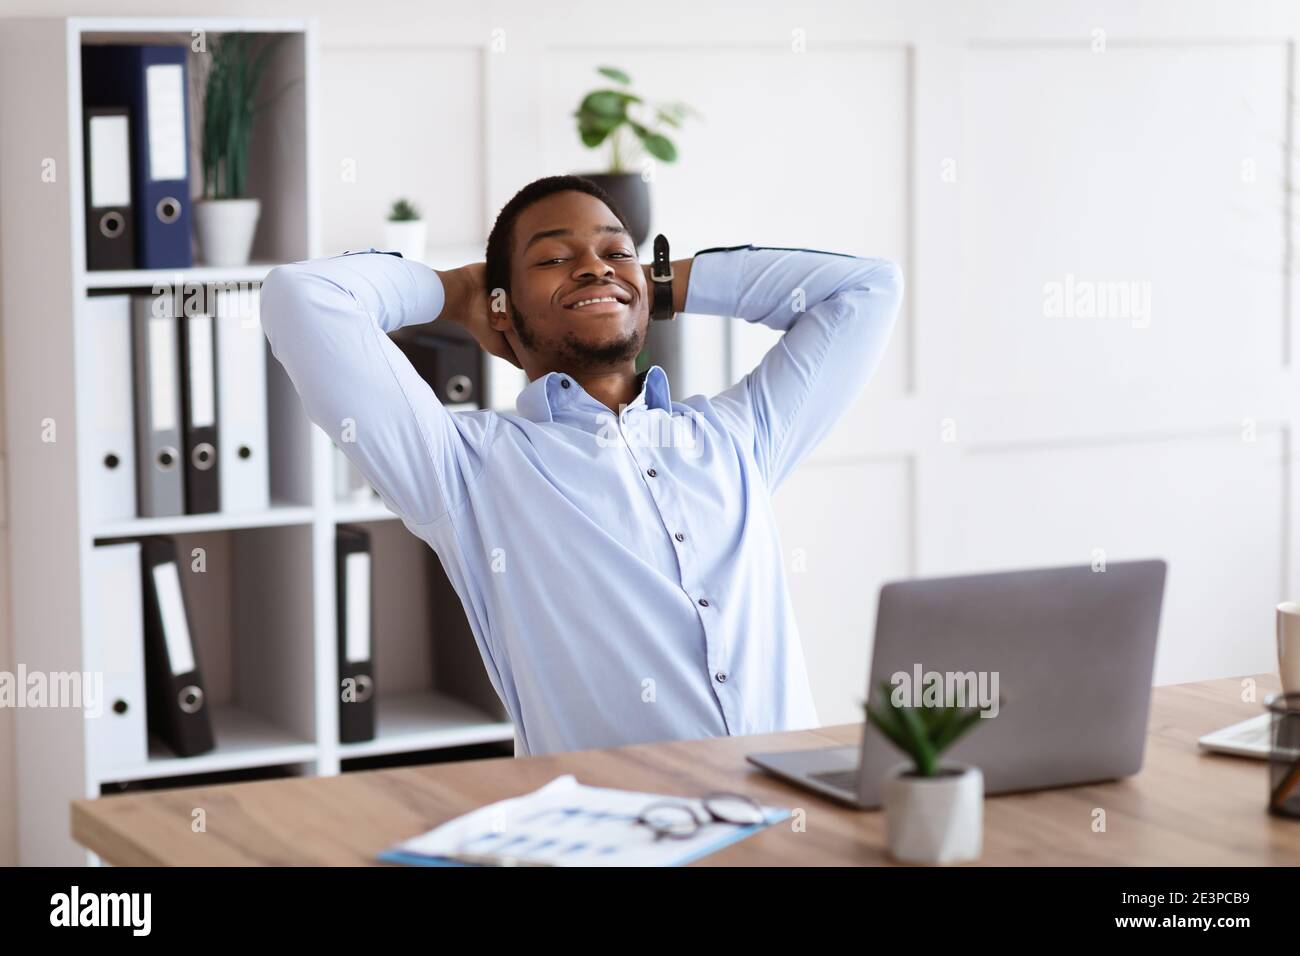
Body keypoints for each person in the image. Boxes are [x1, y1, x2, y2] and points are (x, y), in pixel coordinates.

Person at [260, 174, 904, 756]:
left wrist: (650, 282)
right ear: (502, 304)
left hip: (796, 827)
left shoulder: (737, 437)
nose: (594, 268)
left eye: (615, 251)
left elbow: (868, 288)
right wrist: (457, 291)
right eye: (553, 258)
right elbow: (304, 297)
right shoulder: (465, 468)